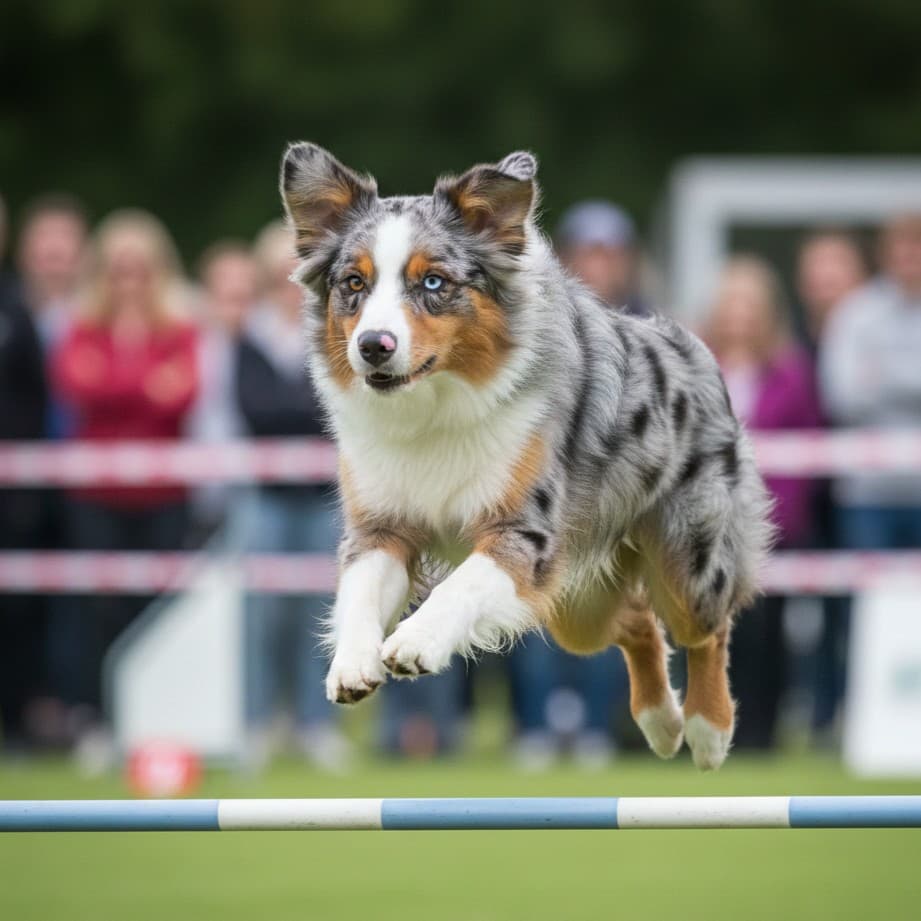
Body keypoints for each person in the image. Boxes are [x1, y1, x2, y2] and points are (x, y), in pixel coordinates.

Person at [51, 209, 198, 754]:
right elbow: (77, 387)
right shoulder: (80, 325)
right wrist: (144, 384)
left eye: (140, 268)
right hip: (96, 495)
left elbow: (182, 395)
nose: (129, 281)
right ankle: (98, 721)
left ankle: (155, 725)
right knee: (96, 611)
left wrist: (114, 383)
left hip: (164, 494)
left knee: (156, 610)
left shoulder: (181, 326)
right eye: (118, 269)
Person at [236, 221, 350, 771]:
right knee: (261, 616)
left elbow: (333, 410)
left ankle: (316, 723)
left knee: (323, 613)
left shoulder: (337, 332)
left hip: (327, 495)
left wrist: (296, 412)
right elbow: (257, 411)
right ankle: (258, 722)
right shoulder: (249, 338)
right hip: (264, 497)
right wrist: (298, 411)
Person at [703, 255, 822, 748]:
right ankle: (703, 725)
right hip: (702, 527)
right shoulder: (695, 362)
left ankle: (760, 733)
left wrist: (776, 521)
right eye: (732, 304)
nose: (740, 315)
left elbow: (808, 448)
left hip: (770, 527)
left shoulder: (792, 373)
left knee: (764, 635)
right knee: (702, 632)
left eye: (749, 305)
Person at [795, 230, 867, 739]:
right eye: (816, 271)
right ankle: (821, 715)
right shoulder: (793, 338)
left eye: (834, 270)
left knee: (856, 614)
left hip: (861, 491)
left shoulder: (869, 331)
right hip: (807, 498)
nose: (824, 282)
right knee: (819, 613)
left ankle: (861, 713)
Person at [0, 193, 50, 753]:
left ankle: (15, 727)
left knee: (15, 615)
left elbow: (36, 398)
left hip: (10, 489)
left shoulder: (15, 309)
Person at [185, 242, 255, 539]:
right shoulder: (187, 345)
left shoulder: (266, 349)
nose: (234, 310)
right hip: (195, 482)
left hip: (252, 483)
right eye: (226, 298)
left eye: (243, 298)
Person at [555, 200, 650, 316]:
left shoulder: (658, 325)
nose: (600, 266)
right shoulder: (540, 324)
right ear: (562, 259)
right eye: (588, 253)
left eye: (613, 254)